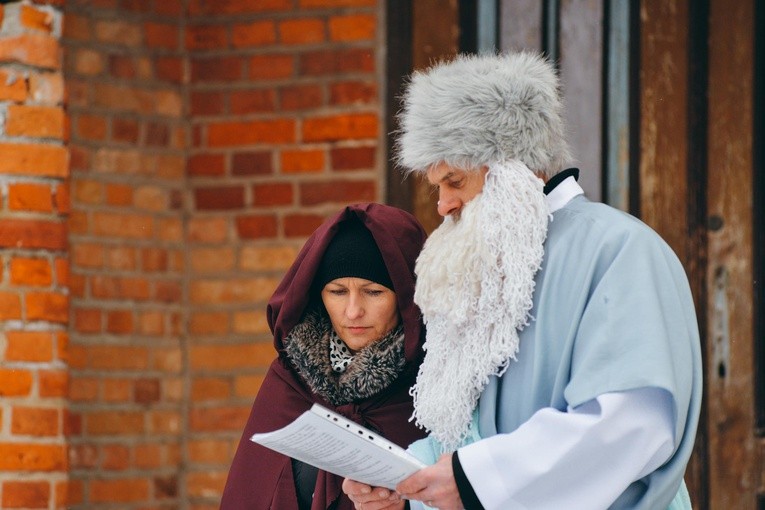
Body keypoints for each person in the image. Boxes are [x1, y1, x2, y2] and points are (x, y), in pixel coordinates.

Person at [343, 51, 702, 509]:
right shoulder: (484, 265)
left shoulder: (617, 250)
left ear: (513, 167)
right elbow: (463, 433)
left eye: (454, 181)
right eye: (437, 188)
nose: (443, 206)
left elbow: (631, 423)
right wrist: (404, 486)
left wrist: (476, 479)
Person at [221, 203, 429, 510]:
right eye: (337, 292)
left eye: (373, 292)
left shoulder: (435, 384)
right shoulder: (288, 383)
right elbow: (251, 494)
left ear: (407, 296)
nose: (353, 311)